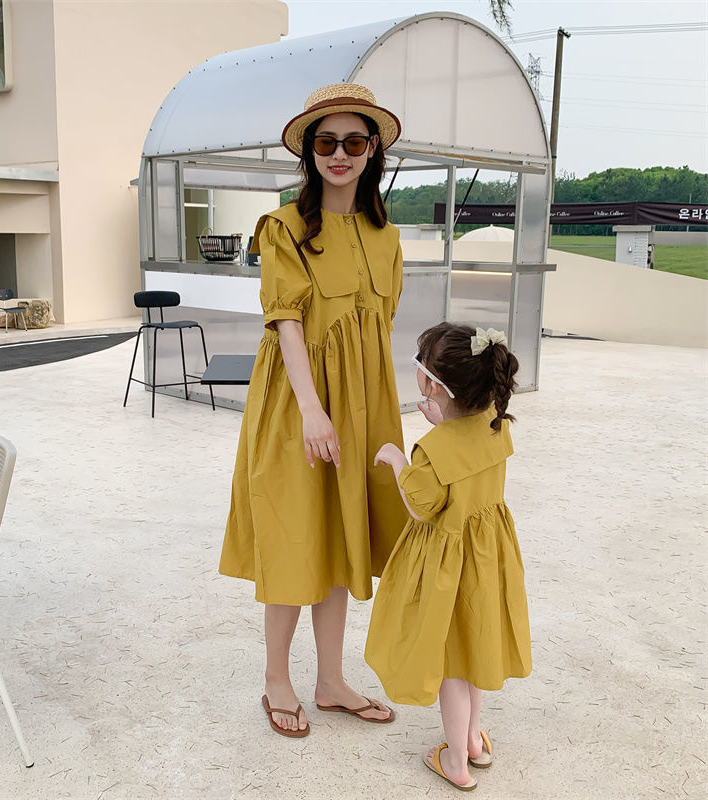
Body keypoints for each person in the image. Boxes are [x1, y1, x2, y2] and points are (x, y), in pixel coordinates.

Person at [219, 84, 408, 737]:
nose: (339, 155)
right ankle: (278, 679)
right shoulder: (285, 227)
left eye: (354, 142)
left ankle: (330, 681)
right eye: (325, 142)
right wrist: (312, 410)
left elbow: (377, 330)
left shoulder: (387, 236)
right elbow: (287, 322)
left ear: (372, 149)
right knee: (294, 535)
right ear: (308, 150)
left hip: (363, 407)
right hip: (300, 404)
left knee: (342, 538)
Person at [366, 322, 532, 790]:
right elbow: (470, 456)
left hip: (448, 567)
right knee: (474, 649)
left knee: (452, 668)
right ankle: (474, 741)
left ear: (434, 387)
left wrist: (398, 459)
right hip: (487, 559)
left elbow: (420, 507)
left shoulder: (432, 449)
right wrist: (446, 423)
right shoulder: (494, 421)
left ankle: (456, 761)